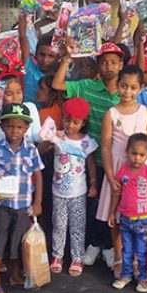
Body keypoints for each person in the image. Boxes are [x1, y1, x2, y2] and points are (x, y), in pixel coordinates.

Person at [52, 42, 123, 266]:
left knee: (115, 207)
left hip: (119, 161)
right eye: (103, 62)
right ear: (98, 65)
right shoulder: (86, 87)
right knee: (93, 206)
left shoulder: (127, 92)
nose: (108, 66)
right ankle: (94, 244)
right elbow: (57, 84)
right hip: (92, 159)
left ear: (121, 65)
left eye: (113, 62)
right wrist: (68, 58)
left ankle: (110, 247)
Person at [99, 65, 147, 276]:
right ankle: (119, 258)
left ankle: (137, 260)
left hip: (143, 172)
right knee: (116, 216)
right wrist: (109, 176)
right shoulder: (111, 114)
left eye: (133, 87)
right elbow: (106, 146)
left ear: (141, 88)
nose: (127, 92)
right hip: (118, 170)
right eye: (124, 86)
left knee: (141, 215)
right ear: (117, 86)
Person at [0, 103, 44, 293]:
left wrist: (38, 202)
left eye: (19, 127)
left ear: (26, 129)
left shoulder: (31, 150)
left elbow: (38, 175)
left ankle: (15, 275)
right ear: (2, 126)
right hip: (2, 205)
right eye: (9, 126)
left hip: (24, 205)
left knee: (18, 241)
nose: (14, 131)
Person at [48, 98, 98, 276]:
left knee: (77, 226)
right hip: (58, 191)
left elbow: (91, 163)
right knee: (59, 225)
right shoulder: (58, 136)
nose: (70, 125)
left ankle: (77, 257)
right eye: (67, 120)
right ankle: (57, 255)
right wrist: (51, 138)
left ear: (83, 122)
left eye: (75, 122)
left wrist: (93, 184)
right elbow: (42, 150)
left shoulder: (86, 142)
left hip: (78, 192)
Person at [108, 133, 147, 293]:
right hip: (125, 219)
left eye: (142, 155)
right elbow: (116, 193)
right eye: (134, 153)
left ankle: (143, 278)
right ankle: (126, 275)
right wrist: (111, 213)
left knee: (142, 251)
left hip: (143, 220)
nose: (137, 158)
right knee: (127, 250)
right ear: (127, 152)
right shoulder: (123, 172)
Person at [19, 13, 58, 106]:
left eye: (50, 56)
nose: (45, 60)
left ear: (57, 58)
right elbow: (22, 37)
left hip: (46, 119)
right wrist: (23, 9)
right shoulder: (29, 67)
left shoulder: (58, 77)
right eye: (42, 55)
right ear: (35, 54)